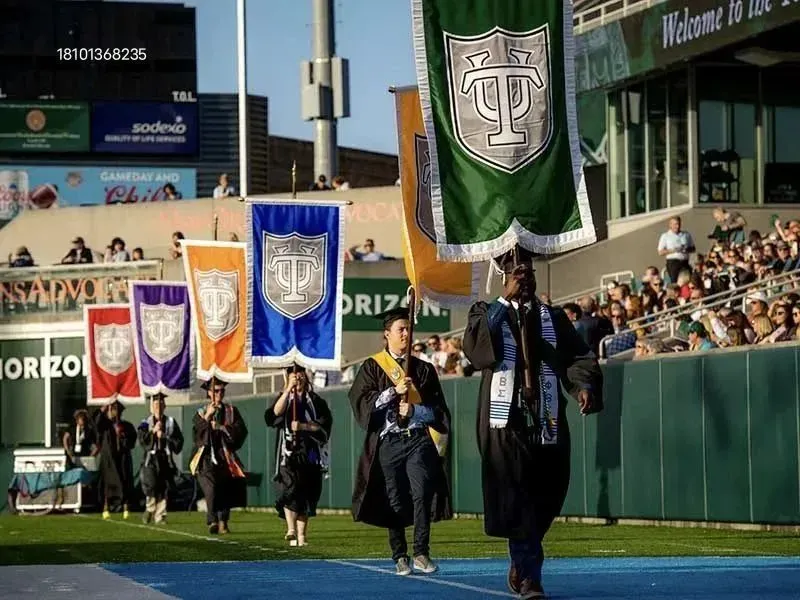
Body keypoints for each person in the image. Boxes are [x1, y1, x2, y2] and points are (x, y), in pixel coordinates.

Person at [462, 249, 604, 599]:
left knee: (547, 495)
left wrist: (583, 385)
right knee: (518, 498)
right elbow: (476, 350)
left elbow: (576, 356)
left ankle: (523, 554)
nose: (524, 280)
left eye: (529, 275)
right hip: (506, 424)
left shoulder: (551, 317)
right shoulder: (486, 313)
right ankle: (529, 575)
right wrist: (503, 302)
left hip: (547, 419)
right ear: (505, 278)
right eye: (517, 275)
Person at [349, 307, 452, 576]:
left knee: (422, 494)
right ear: (387, 334)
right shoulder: (372, 367)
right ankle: (400, 554)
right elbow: (361, 401)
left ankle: (421, 552)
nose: (406, 334)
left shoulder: (425, 370)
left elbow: (439, 412)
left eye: (408, 329)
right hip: (389, 442)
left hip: (418, 440)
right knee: (393, 499)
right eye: (400, 329)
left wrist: (415, 411)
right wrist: (392, 392)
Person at [264, 365, 332, 547]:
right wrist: (287, 389)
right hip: (288, 454)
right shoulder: (285, 399)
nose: (298, 378)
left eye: (300, 374)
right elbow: (273, 415)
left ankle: (302, 536)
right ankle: (291, 529)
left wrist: (303, 426)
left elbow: (323, 426)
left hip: (310, 454)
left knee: (307, 494)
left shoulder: (315, 401)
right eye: (293, 375)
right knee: (290, 488)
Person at [190, 378, 248, 534]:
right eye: (216, 391)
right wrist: (207, 418)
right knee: (211, 489)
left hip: (225, 456)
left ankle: (223, 522)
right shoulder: (201, 413)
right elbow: (197, 437)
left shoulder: (231, 411)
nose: (219, 394)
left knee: (225, 488)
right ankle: (212, 520)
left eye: (222, 391)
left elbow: (240, 432)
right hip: (205, 458)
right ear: (209, 393)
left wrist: (222, 428)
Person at [138, 393, 184, 525]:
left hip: (165, 457)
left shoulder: (170, 422)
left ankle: (161, 515)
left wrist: (164, 436)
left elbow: (178, 442)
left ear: (165, 406)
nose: (158, 407)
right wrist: (152, 431)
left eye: (160, 404)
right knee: (151, 484)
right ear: (151, 407)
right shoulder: (145, 422)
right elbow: (142, 440)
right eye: (156, 404)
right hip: (151, 458)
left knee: (164, 487)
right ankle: (150, 507)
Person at [94, 398, 137, 520]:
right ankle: (106, 507)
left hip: (122, 458)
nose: (115, 413)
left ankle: (126, 507)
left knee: (125, 482)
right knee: (107, 484)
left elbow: (132, 442)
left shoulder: (127, 426)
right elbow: (96, 425)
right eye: (112, 410)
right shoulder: (105, 426)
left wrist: (122, 435)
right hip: (109, 460)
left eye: (117, 410)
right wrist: (103, 409)